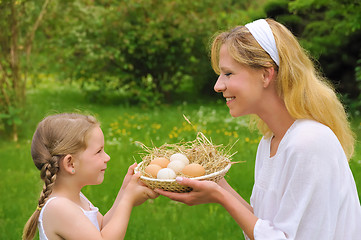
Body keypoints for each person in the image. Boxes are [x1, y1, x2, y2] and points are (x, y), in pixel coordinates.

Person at [156, 19, 361, 239]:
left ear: (265, 74)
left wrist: (221, 197)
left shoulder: (309, 142)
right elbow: (266, 228)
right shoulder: (270, 142)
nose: (218, 85)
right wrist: (219, 186)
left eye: (228, 73)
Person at [23, 113, 158, 240]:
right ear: (70, 163)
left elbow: (102, 227)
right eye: (99, 151)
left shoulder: (75, 197)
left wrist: (124, 192)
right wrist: (127, 200)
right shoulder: (59, 207)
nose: (107, 157)